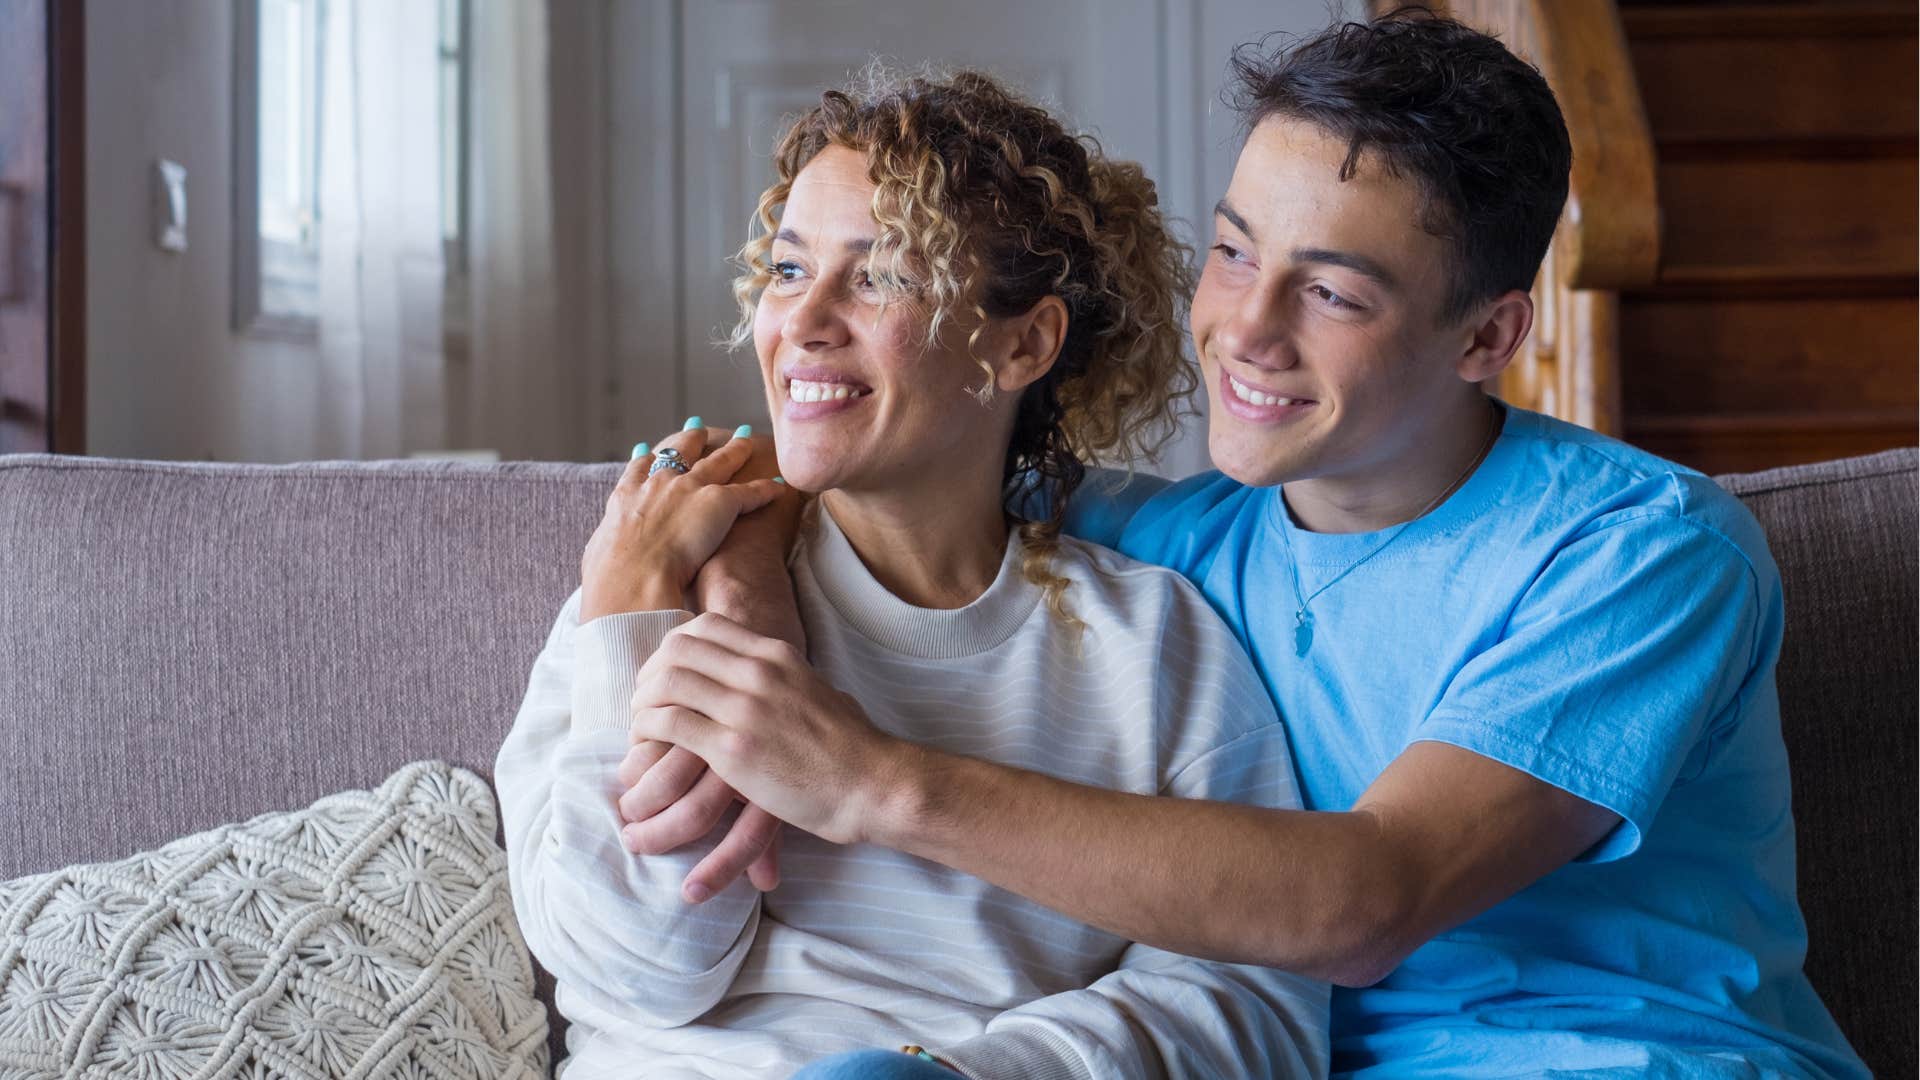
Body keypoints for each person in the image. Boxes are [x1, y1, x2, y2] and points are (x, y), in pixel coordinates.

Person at [618, 11, 1870, 1079]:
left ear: (1488, 338)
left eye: (1330, 292)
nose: (1246, 330)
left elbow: (1367, 901)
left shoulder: (1641, 553)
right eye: (1232, 252)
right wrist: (740, 605)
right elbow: (852, 458)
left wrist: (870, 782)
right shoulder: (1171, 544)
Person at [495, 69, 1328, 1080]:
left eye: (879, 273)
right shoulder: (658, 581)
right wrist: (631, 618)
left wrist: (961, 1076)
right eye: (790, 269)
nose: (803, 322)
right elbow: (636, 975)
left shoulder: (1154, 645)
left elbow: (1251, 1000)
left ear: (1024, 342)